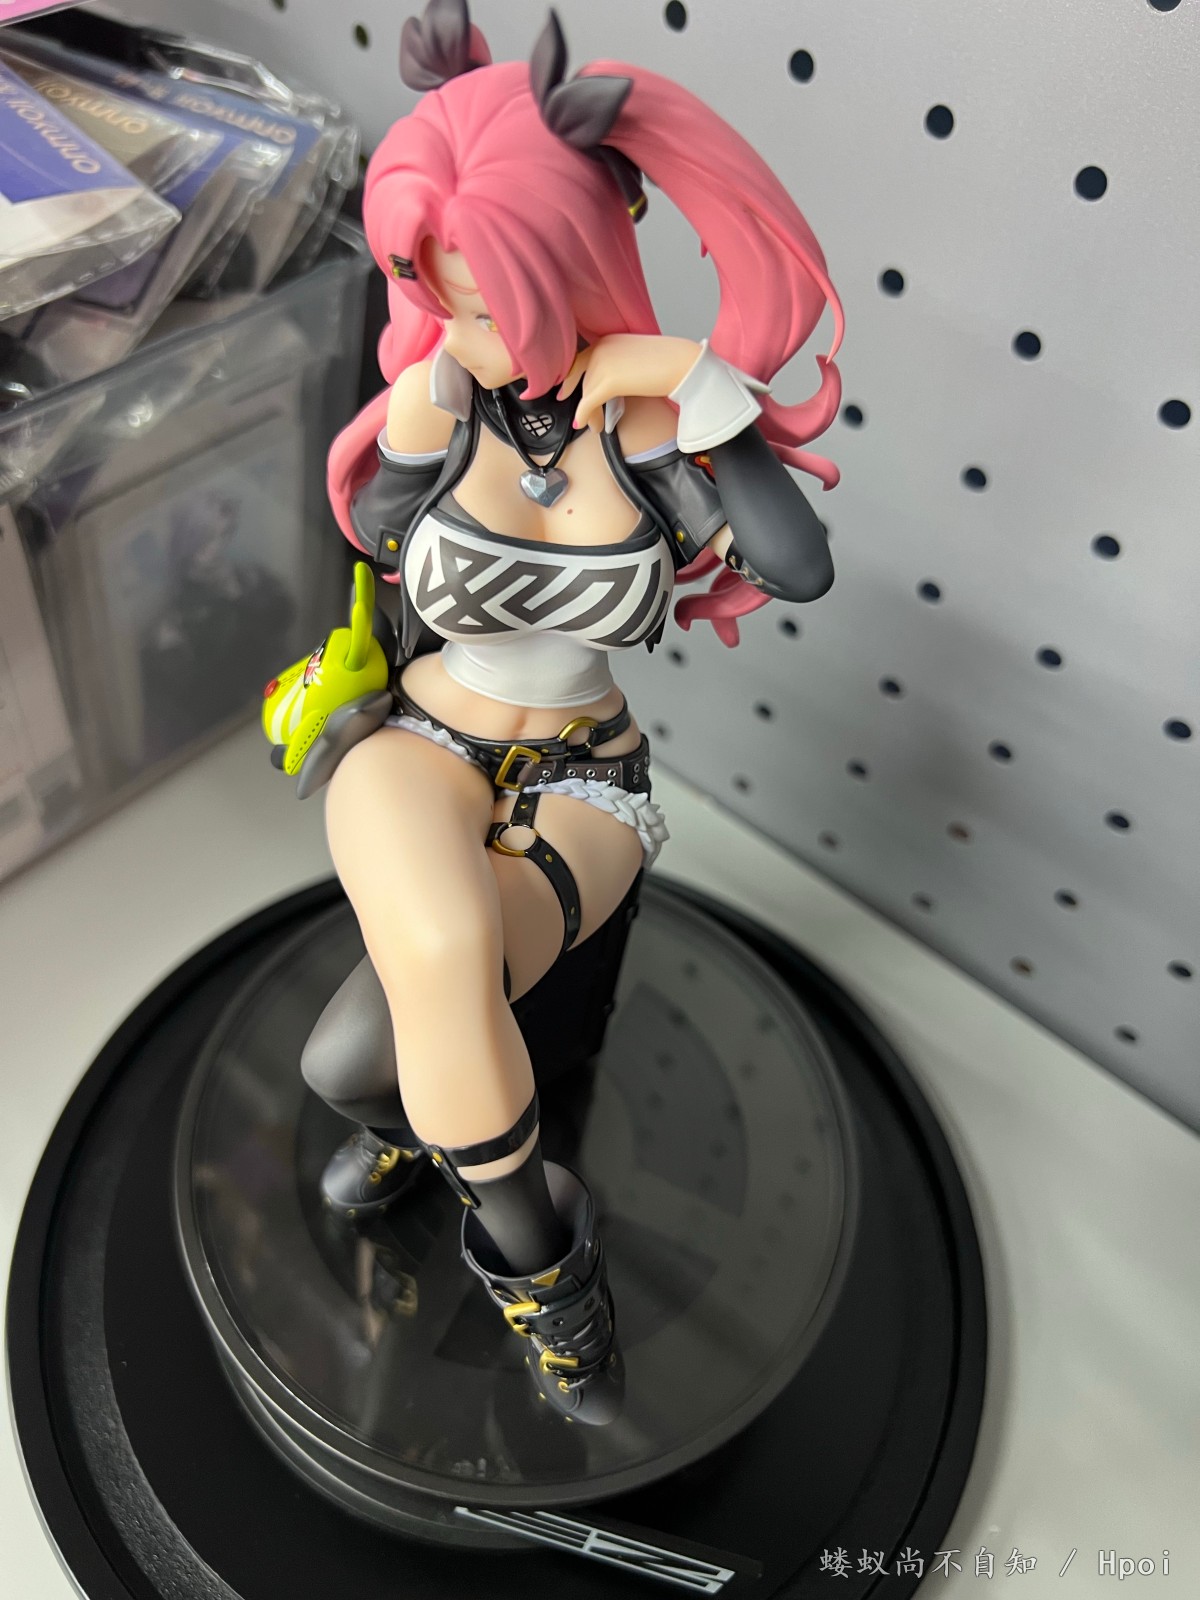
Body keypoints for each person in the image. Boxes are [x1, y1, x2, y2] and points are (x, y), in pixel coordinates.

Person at [291, 0, 843, 1425]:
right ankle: (550, 1272)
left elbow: (796, 562)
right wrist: (425, 401)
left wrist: (698, 382)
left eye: (489, 297)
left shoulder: (649, 420)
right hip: (421, 741)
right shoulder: (438, 390)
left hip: (584, 779)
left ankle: (439, 1134)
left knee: (353, 1057)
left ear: (574, 256)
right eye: (439, 290)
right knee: (440, 959)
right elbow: (376, 537)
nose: (469, 328)